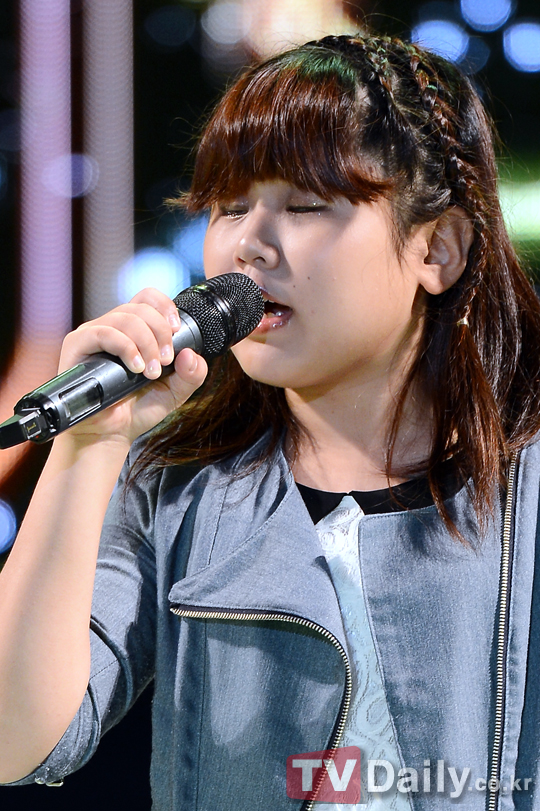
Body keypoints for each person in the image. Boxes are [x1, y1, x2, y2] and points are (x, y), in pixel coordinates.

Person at [1, 31, 540, 810]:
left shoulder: (526, 489)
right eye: (228, 206)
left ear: (439, 250)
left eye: (306, 205)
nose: (249, 244)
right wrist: (88, 445)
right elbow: (16, 740)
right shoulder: (177, 487)